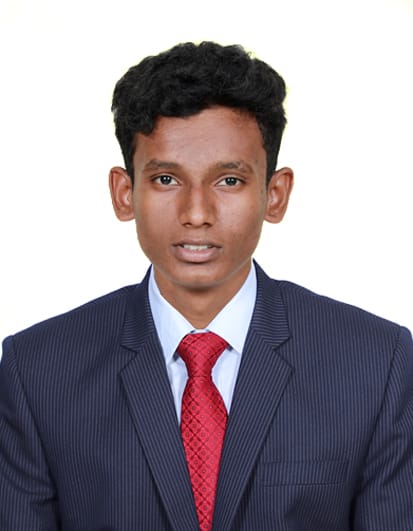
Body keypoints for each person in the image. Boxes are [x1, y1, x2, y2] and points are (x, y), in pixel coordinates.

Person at [0, 41, 412, 531]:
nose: (197, 214)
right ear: (124, 192)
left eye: (229, 181)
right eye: (166, 179)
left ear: (275, 195)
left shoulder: (375, 364)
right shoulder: (37, 371)